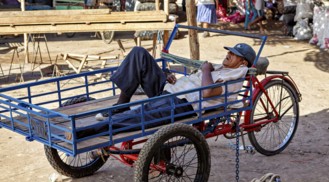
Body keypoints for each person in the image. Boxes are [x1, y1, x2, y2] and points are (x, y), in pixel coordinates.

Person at [71, 44, 256, 139]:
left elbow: (207, 93)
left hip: (181, 103)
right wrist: (168, 76)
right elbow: (192, 79)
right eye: (229, 51)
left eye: (233, 54)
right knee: (139, 53)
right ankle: (121, 103)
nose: (228, 54)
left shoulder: (235, 78)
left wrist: (206, 70)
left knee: (137, 115)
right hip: (170, 90)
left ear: (243, 63)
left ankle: (84, 132)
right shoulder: (219, 68)